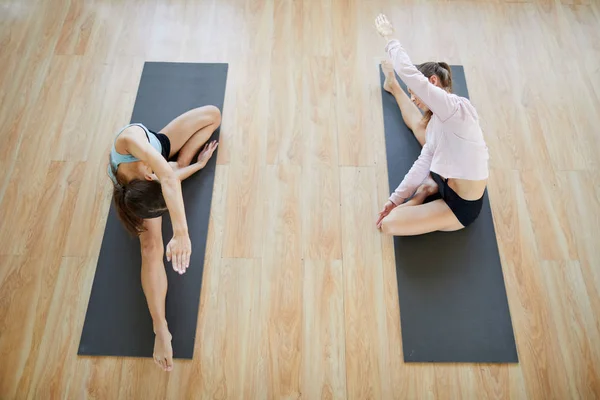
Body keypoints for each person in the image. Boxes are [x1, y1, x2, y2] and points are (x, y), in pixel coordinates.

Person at [107, 105, 221, 371]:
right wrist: (192, 167)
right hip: (147, 180)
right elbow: (169, 176)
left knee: (213, 116)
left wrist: (183, 233)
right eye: (162, 174)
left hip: (155, 147)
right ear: (150, 176)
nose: (164, 173)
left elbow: (170, 175)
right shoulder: (138, 167)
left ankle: (177, 163)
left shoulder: (135, 144)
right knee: (150, 246)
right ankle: (161, 328)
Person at [374, 14, 489, 235]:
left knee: (388, 224)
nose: (415, 100)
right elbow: (422, 163)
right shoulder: (437, 121)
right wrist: (395, 199)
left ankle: (426, 190)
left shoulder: (455, 108)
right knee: (421, 128)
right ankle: (393, 86)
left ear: (432, 82)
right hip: (442, 176)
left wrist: (390, 38)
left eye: (414, 94)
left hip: (459, 206)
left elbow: (410, 74)